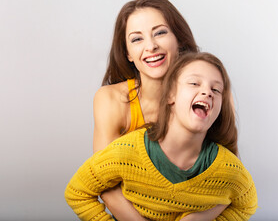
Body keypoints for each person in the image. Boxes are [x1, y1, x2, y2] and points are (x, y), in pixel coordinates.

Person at [65, 52, 258, 220]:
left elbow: (246, 205)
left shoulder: (229, 169)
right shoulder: (127, 151)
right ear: (169, 96)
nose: (207, 92)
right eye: (194, 83)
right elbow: (77, 192)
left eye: (216, 90)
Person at [93, 0, 219, 220]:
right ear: (128, 54)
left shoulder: (208, 92)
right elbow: (105, 183)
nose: (151, 46)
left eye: (160, 32)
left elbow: (229, 181)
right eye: (136, 39)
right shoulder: (110, 100)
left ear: (179, 40)